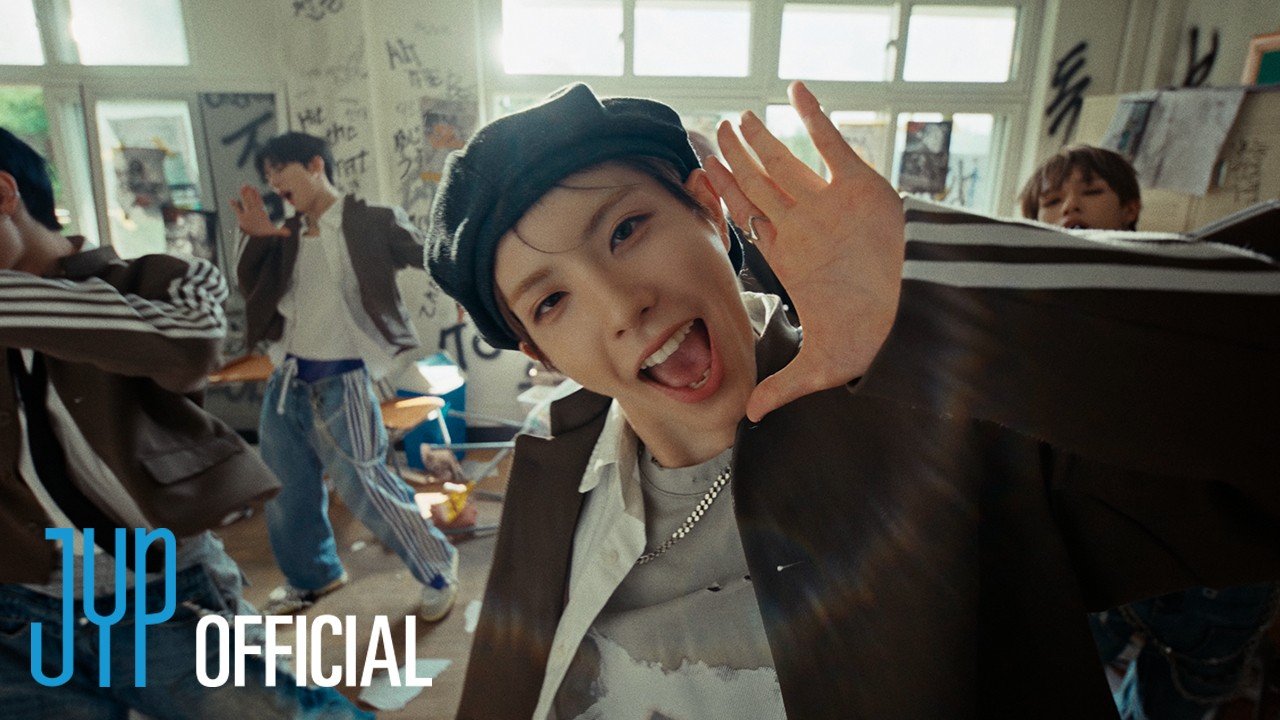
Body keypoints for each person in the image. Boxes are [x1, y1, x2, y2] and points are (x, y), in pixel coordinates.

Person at [426, 81, 1280, 720]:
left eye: (625, 229)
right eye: (552, 301)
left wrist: (940, 297)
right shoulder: (556, 459)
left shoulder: (941, 426)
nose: (621, 307)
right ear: (540, 353)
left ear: (710, 211)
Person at [0, 128, 371, 718]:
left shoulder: (163, 279)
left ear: (4, 193)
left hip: (163, 595)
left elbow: (193, 342)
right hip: (18, 612)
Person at [1021, 144, 1280, 720]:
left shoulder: (1190, 285)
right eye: (1052, 201)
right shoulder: (1031, 308)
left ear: (1131, 208)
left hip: (1210, 570)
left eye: (1091, 192)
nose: (1070, 208)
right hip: (1096, 549)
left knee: (1172, 705)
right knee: (1051, 684)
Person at [231, 131, 459, 620]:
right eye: (267, 175)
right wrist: (256, 238)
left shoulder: (370, 221)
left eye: (280, 169)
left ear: (315, 165)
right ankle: (313, 576)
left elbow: (427, 254)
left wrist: (470, 284)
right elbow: (253, 290)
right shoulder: (286, 233)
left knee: (367, 488)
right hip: (286, 381)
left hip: (342, 382)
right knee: (285, 490)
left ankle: (438, 565)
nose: (273, 182)